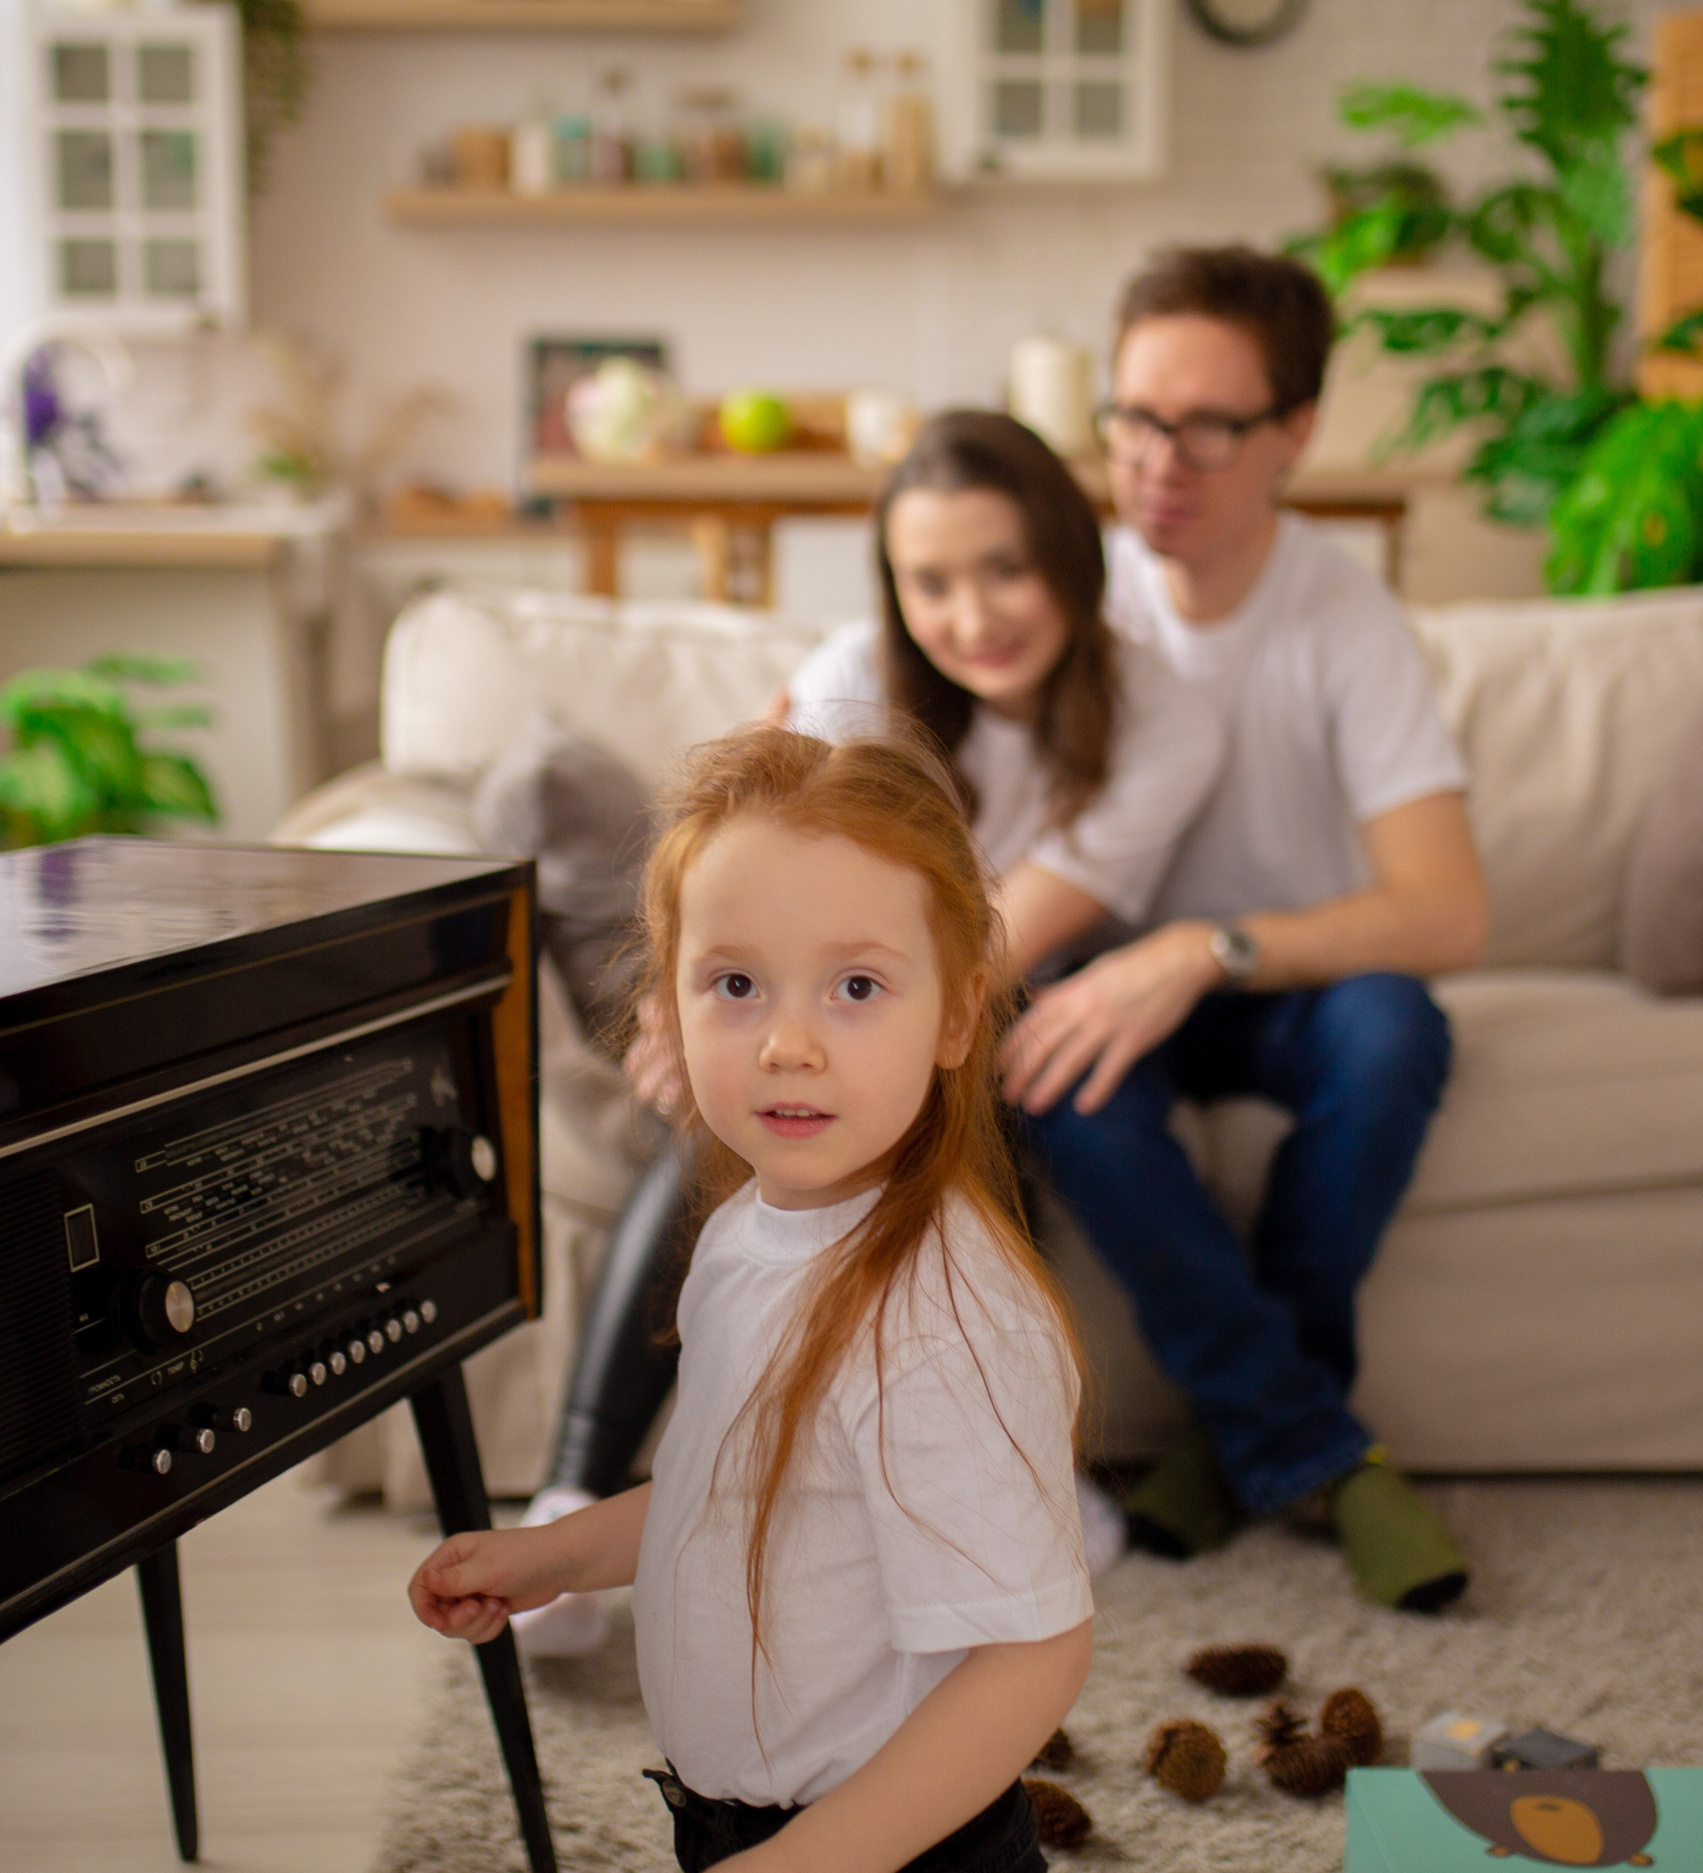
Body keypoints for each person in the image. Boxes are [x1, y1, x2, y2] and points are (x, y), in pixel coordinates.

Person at [410, 726, 1353, 1873]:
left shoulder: (938, 1319)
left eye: (856, 987)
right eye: (734, 983)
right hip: (768, 1838)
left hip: (888, 1862)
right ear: (665, 1011)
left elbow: (1035, 1656)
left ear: (958, 1011)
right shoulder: (752, 1233)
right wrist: (553, 1552)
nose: (789, 1042)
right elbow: (724, 1493)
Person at [514, 410, 1226, 1657]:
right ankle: (574, 1486)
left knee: (987, 1083)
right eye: (931, 580)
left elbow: (986, 950)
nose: (974, 614)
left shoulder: (1161, 715)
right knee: (729, 1093)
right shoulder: (854, 677)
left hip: (989, 1002)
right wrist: (688, 1004)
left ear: (1071, 555)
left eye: (1005, 567)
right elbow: (732, 856)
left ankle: (1016, 1477)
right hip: (827, 985)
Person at [1001, 245, 1487, 1611]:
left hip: (1271, 985)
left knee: (1396, 1027)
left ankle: (1249, 1441)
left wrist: (1200, 951)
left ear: (1294, 433)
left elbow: (1446, 908)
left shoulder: (1346, 618)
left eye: (1208, 425)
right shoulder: (1062, 596)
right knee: (1056, 1064)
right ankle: (1307, 1444)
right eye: (1136, 417)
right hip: (1106, 988)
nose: (1160, 460)